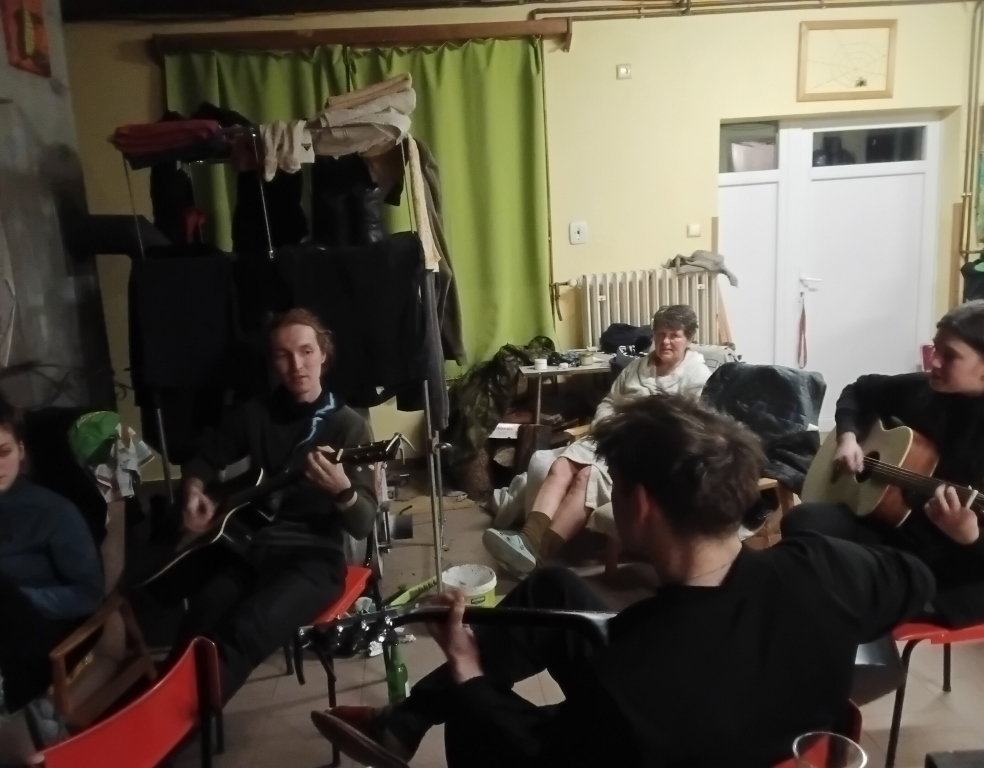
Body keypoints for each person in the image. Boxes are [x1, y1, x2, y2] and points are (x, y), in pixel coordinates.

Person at [312, 393, 934, 768]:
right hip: (759, 728)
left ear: (637, 505)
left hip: (669, 732)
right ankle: (403, 724)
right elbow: (918, 580)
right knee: (555, 591)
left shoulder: (632, 677)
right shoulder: (829, 566)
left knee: (477, 715)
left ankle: (421, 714)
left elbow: (538, 753)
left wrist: (469, 671)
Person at [168, 308, 377, 702]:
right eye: (284, 355)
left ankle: (176, 721)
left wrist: (342, 490)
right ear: (273, 362)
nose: (296, 365)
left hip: (313, 560)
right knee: (198, 622)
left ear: (323, 354)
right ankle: (152, 711)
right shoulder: (255, 414)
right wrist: (194, 490)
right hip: (252, 549)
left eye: (306, 351)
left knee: (245, 630)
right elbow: (206, 457)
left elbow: (363, 524)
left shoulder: (349, 426)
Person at [783, 300, 984, 629]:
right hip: (896, 533)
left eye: (950, 355)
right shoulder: (926, 391)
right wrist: (848, 437)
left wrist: (970, 537)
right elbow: (859, 390)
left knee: (834, 595)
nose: (933, 361)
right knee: (805, 520)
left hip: (954, 568)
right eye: (935, 348)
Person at [482, 304, 711, 574]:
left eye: (674, 335)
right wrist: (604, 426)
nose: (665, 341)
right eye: (661, 334)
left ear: (689, 339)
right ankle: (528, 539)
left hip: (641, 451)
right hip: (609, 434)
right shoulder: (638, 367)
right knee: (561, 465)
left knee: (587, 477)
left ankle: (540, 555)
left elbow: (686, 428)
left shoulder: (697, 377)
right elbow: (609, 402)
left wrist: (634, 435)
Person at [0, 389, 104, 755]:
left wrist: (10, 599)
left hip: (35, 636)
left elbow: (88, 595)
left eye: (3, 452)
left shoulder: (54, 511)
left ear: (21, 451)